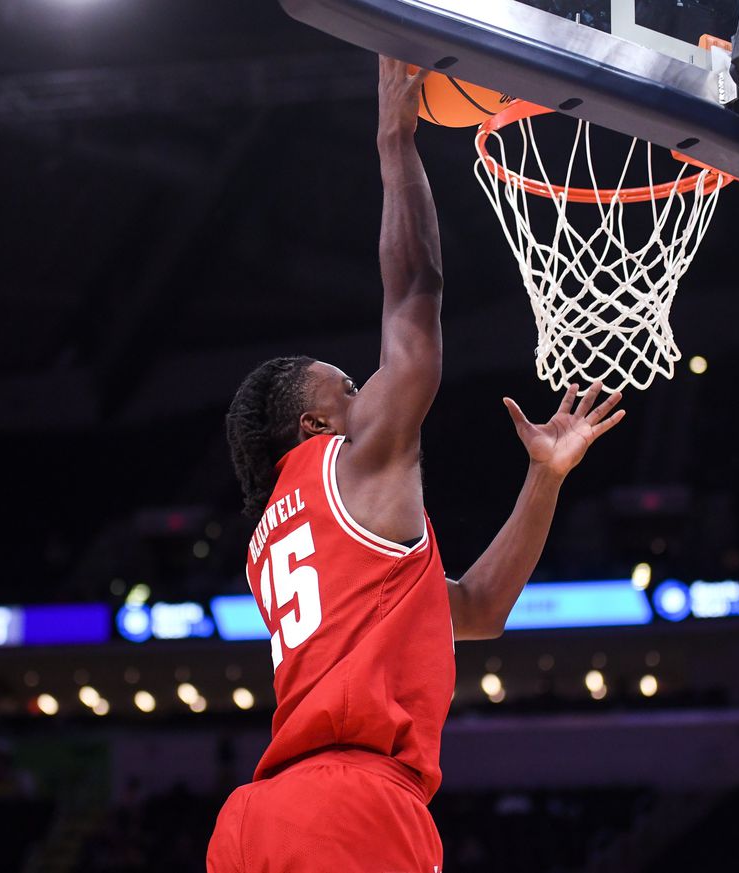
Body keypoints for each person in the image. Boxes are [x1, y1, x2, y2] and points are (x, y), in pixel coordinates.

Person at [207, 57, 625, 873]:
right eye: (354, 388)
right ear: (317, 423)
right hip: (349, 808)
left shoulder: (273, 539)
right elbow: (414, 300)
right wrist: (395, 137)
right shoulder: (346, 464)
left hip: (254, 824)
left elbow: (475, 610)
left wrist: (543, 478)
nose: (372, 396)